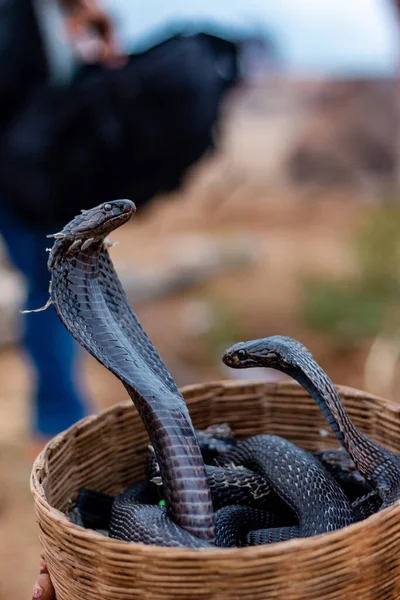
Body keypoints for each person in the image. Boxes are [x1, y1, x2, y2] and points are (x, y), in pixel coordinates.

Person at [0, 0, 119, 456]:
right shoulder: (16, 16)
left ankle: (59, 416)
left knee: (56, 288)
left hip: (39, 182)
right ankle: (54, 424)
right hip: (22, 184)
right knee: (49, 293)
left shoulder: (49, 18)